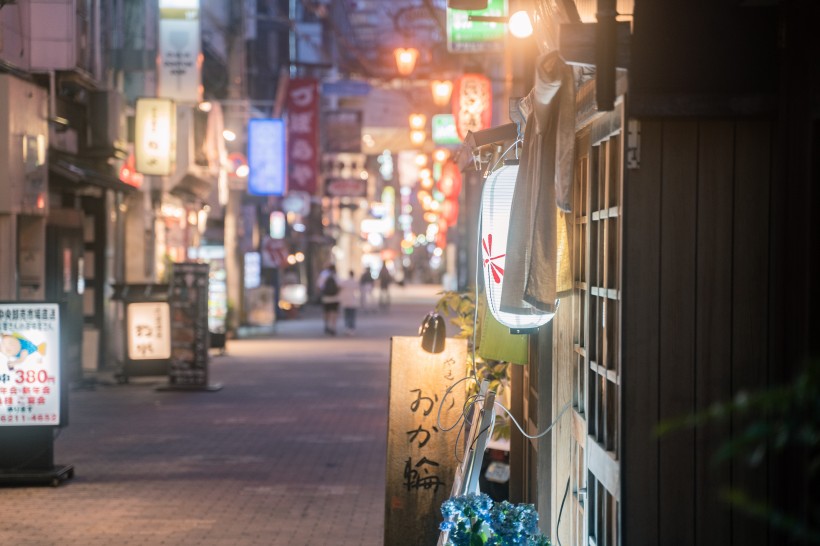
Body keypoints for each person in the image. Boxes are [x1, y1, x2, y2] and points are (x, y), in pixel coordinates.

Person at [317, 264, 340, 335]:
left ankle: (326, 325)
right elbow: (339, 285)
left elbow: (319, 285)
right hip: (335, 297)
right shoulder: (335, 275)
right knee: (334, 312)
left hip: (326, 297)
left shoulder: (324, 274)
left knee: (326, 312)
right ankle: (333, 327)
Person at [338, 270, 360, 335]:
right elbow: (357, 289)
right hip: (353, 301)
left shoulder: (345, 282)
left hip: (346, 301)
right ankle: (352, 328)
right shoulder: (355, 282)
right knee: (352, 315)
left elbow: (339, 287)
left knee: (347, 315)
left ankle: (347, 328)